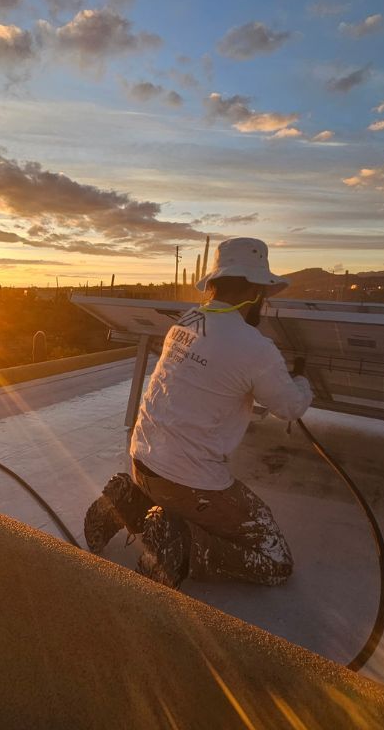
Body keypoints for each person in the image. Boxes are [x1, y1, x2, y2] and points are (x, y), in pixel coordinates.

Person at [84, 237, 313, 589]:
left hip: (142, 462)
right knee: (274, 560)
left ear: (214, 285)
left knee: (172, 490)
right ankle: (181, 546)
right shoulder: (255, 348)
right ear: (256, 290)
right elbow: (289, 406)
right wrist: (302, 383)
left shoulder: (186, 322)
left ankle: (129, 501)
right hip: (186, 482)